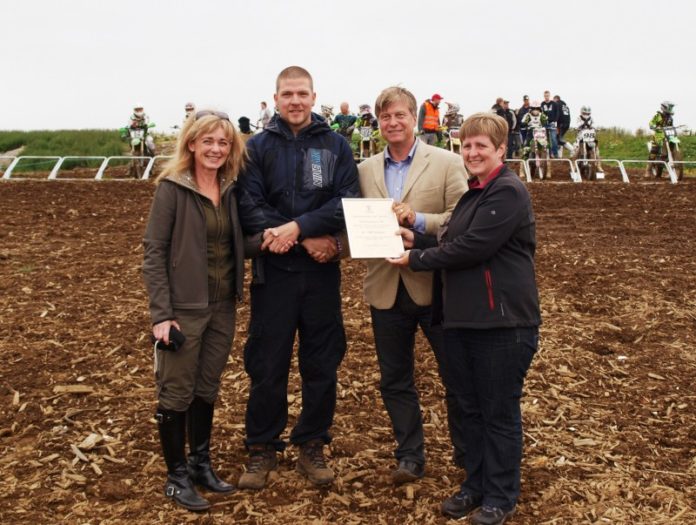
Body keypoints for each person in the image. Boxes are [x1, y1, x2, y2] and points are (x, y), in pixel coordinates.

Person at [388, 112, 540, 525]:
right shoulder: (474, 193)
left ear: (501, 150)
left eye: (481, 146)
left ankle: (500, 496)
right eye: (467, 145)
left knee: (497, 412)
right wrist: (416, 238)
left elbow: (474, 247)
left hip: (502, 324)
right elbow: (452, 237)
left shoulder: (507, 191)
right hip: (462, 320)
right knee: (468, 408)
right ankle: (474, 485)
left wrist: (416, 258)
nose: (472, 153)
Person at [235, 66, 360, 490]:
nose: (295, 101)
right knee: (267, 362)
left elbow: (346, 201)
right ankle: (262, 446)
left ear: (313, 97)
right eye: (287, 94)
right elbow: (249, 205)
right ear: (275, 98)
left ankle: (312, 442)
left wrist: (299, 227)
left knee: (321, 362)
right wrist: (301, 236)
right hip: (274, 271)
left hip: (321, 274)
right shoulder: (256, 147)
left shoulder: (335, 145)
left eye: (302, 93)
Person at [142, 109, 255, 511]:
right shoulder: (172, 189)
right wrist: (162, 315)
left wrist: (280, 237)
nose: (216, 149)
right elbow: (154, 252)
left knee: (206, 386)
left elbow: (237, 242)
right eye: (208, 141)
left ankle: (199, 464)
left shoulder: (230, 187)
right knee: (176, 390)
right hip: (184, 308)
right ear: (191, 143)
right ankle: (176, 478)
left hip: (222, 306)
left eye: (223, 142)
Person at [357, 86, 468, 484]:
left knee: (456, 377)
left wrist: (417, 220)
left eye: (400, 115)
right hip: (385, 288)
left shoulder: (446, 162)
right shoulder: (364, 169)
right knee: (394, 380)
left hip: (436, 287)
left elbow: (462, 216)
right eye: (385, 117)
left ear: (414, 119)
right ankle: (409, 456)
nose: (393, 123)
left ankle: (467, 455)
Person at [645, 100, 676, 177]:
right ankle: (648, 170)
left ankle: (672, 171)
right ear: (664, 107)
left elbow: (671, 126)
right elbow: (651, 123)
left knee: (672, 150)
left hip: (668, 136)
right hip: (658, 136)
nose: (671, 109)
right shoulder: (658, 116)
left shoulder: (670, 118)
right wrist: (654, 126)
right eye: (670, 107)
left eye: (671, 108)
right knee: (654, 151)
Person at [540, 91, 559, 158]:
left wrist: (555, 121)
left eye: (547, 96)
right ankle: (549, 154)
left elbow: (557, 113)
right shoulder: (542, 104)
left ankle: (555, 154)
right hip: (544, 123)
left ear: (549, 96)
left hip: (552, 123)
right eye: (545, 96)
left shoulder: (554, 103)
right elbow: (541, 113)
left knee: (553, 139)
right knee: (546, 140)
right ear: (544, 96)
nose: (546, 97)